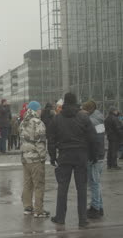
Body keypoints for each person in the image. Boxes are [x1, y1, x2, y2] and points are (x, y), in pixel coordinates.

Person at [48, 93, 98, 228]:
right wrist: (93, 156)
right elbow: (93, 138)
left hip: (64, 155)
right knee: (81, 188)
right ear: (76, 102)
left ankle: (60, 217)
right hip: (81, 155)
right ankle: (82, 219)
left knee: (62, 187)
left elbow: (51, 140)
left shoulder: (57, 118)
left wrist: (53, 157)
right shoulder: (83, 117)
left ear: (64, 102)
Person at [19, 101, 49, 218]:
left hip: (25, 158)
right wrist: (42, 158)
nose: (41, 111)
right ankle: (39, 210)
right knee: (39, 185)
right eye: (40, 109)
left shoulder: (23, 122)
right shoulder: (38, 123)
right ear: (36, 110)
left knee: (27, 184)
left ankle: (27, 207)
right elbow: (41, 142)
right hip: (36, 158)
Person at [81, 100, 105, 218]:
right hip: (100, 154)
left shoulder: (91, 121)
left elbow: (93, 140)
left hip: (94, 156)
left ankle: (95, 208)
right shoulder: (99, 118)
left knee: (94, 183)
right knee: (97, 182)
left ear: (88, 110)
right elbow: (100, 140)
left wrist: (93, 156)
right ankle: (99, 207)